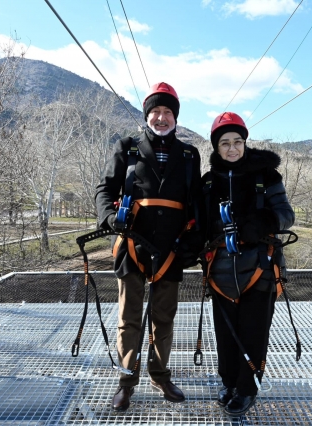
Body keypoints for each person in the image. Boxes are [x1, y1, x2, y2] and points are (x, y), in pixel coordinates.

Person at [95, 82, 201, 411]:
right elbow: (104, 189)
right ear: (147, 116)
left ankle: (159, 375)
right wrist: (110, 217)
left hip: (171, 251)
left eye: (168, 111)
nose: (161, 117)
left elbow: (197, 204)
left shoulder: (188, 155)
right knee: (129, 318)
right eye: (155, 111)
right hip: (132, 248)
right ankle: (127, 380)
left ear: (176, 118)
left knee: (164, 318)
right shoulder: (127, 148)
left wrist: (192, 246)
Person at [202, 112, 294, 416]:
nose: (231, 148)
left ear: (245, 143)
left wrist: (264, 222)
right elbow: (199, 223)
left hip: (260, 267)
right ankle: (229, 381)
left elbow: (285, 214)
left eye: (237, 142)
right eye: (225, 143)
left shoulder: (265, 175)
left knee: (253, 330)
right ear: (216, 147)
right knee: (225, 332)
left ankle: (247, 387)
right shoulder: (208, 182)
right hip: (220, 269)